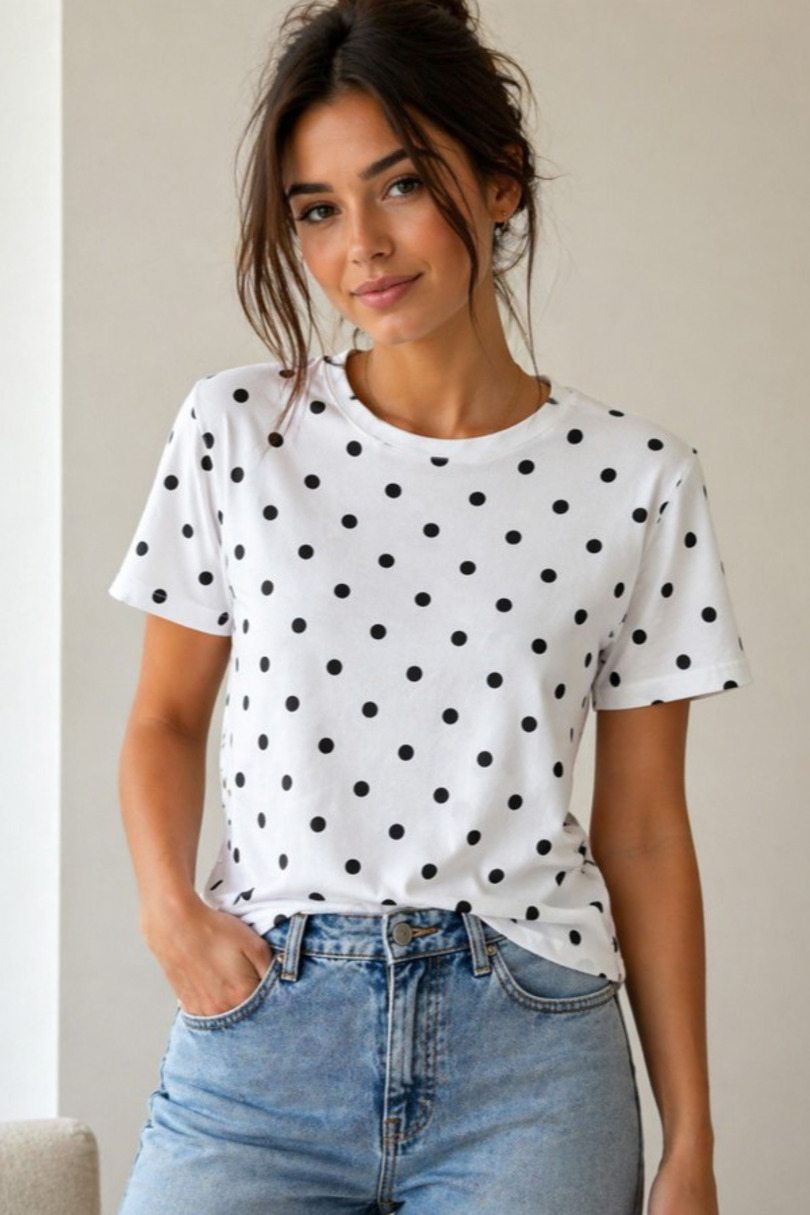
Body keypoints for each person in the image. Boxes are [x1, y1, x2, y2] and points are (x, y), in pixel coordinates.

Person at [108, 1, 752, 1212]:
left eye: (401, 186)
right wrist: (167, 913)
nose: (362, 246)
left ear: (500, 181)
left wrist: (692, 1143)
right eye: (316, 209)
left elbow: (646, 833)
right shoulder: (237, 429)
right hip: (266, 1040)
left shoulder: (639, 480)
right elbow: (165, 719)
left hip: (532, 1053)